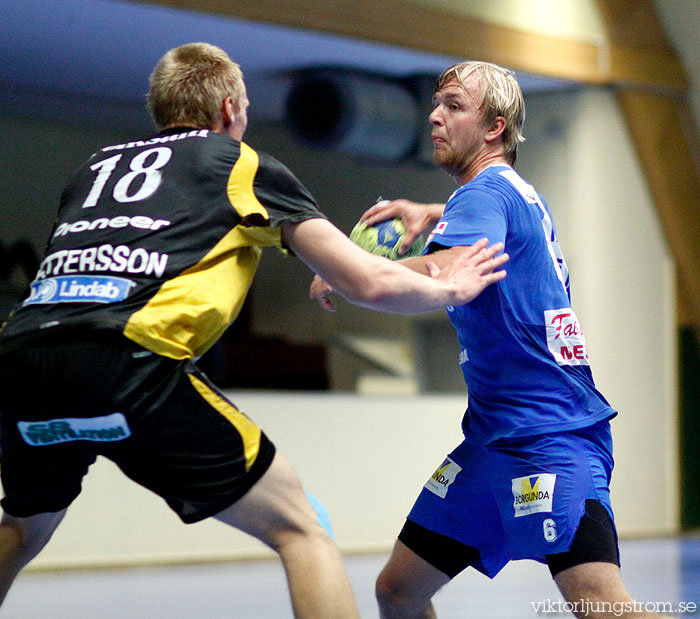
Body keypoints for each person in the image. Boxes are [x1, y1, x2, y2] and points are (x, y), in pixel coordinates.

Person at [0, 45, 509, 618]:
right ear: (228, 110)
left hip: (20, 360)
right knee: (302, 527)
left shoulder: (93, 170)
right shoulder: (239, 165)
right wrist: (452, 287)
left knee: (23, 525)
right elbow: (367, 281)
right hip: (128, 361)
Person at [312, 61, 671, 618]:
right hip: (491, 444)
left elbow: (444, 278)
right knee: (398, 590)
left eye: (453, 106)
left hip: (551, 435)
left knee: (599, 603)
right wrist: (431, 213)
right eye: (436, 103)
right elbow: (481, 228)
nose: (434, 115)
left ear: (494, 127)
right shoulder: (513, 192)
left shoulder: (482, 197)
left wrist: (344, 268)